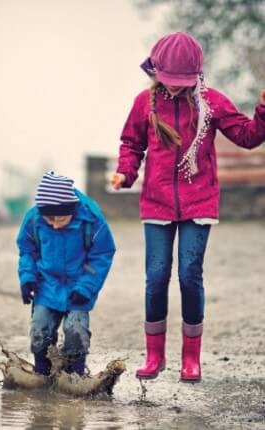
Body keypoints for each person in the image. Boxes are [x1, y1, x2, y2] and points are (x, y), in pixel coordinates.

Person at [111, 32, 265, 382]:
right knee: (156, 277)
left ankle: (191, 359)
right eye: (170, 82)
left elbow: (246, 136)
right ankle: (154, 356)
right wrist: (125, 172)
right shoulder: (143, 104)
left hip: (199, 201)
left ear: (197, 75)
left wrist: (264, 112)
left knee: (189, 276)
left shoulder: (211, 102)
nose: (177, 89)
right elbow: (131, 144)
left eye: (184, 83)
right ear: (156, 73)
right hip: (157, 203)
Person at [17, 172, 116, 376]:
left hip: (78, 287)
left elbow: (102, 254)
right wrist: (27, 277)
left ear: (71, 209)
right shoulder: (33, 219)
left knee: (76, 331)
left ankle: (75, 373)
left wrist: (86, 287)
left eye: (60, 218)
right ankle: (42, 372)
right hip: (47, 285)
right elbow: (27, 250)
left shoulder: (92, 219)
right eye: (49, 218)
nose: (54, 223)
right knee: (40, 328)